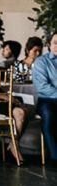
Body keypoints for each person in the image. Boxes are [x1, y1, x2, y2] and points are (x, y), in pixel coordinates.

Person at [32, 32, 57, 165]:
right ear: (50, 45)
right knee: (49, 117)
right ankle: (54, 156)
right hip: (48, 100)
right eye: (55, 42)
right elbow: (42, 87)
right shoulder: (41, 61)